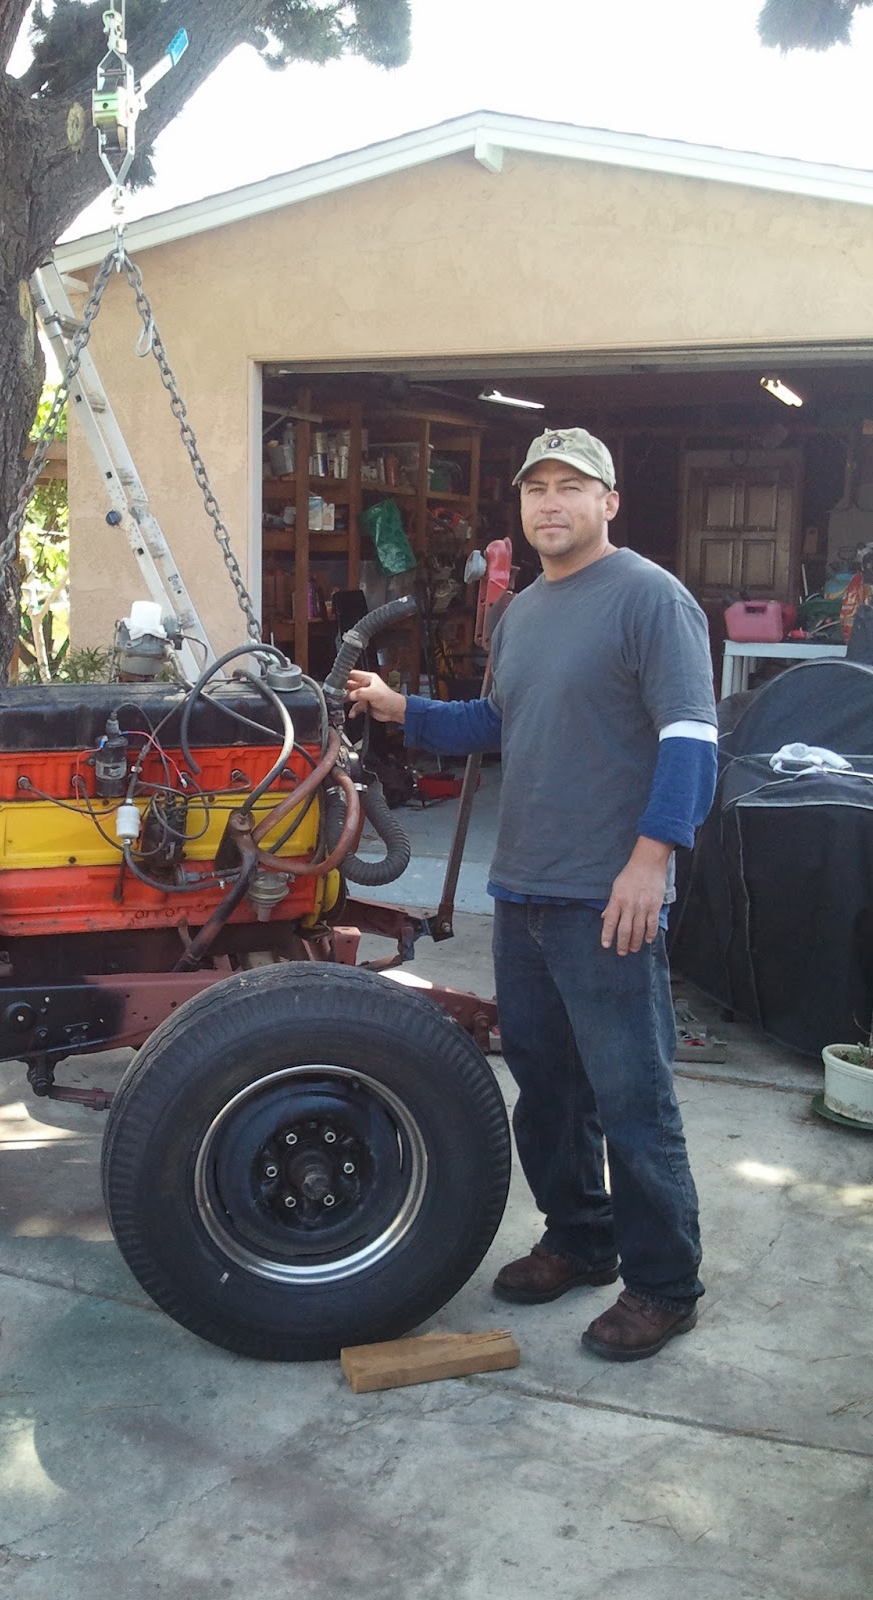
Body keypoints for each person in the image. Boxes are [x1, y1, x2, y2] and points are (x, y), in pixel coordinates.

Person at [346, 427, 717, 1362]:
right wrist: (402, 708)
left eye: (571, 488)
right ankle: (581, 1238)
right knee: (547, 1091)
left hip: (610, 894)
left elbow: (691, 742)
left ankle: (665, 1285)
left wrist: (652, 860)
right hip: (523, 891)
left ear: (609, 502)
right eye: (537, 489)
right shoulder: (521, 614)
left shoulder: (650, 599)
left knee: (633, 1098)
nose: (551, 503)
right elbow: (498, 721)